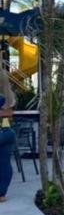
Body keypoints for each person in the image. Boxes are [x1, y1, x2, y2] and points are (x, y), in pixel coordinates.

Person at [0, 69, 16, 201]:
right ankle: (1, 193)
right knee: (4, 162)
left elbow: (6, 114)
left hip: (2, 133)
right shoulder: (8, 96)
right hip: (8, 133)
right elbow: (8, 114)